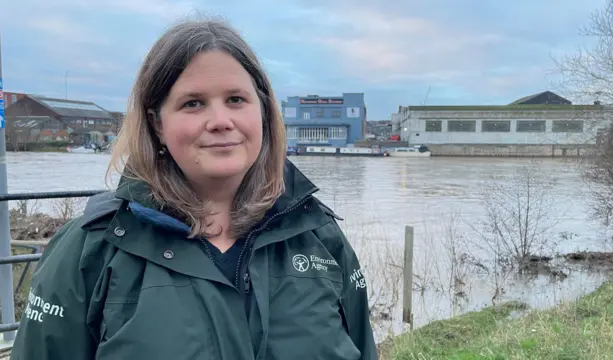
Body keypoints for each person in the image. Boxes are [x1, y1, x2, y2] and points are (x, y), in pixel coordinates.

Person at [10, 18, 377, 360]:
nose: (220, 121)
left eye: (236, 99)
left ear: (263, 111)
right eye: (193, 103)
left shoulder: (320, 237)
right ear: (156, 124)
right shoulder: (90, 251)